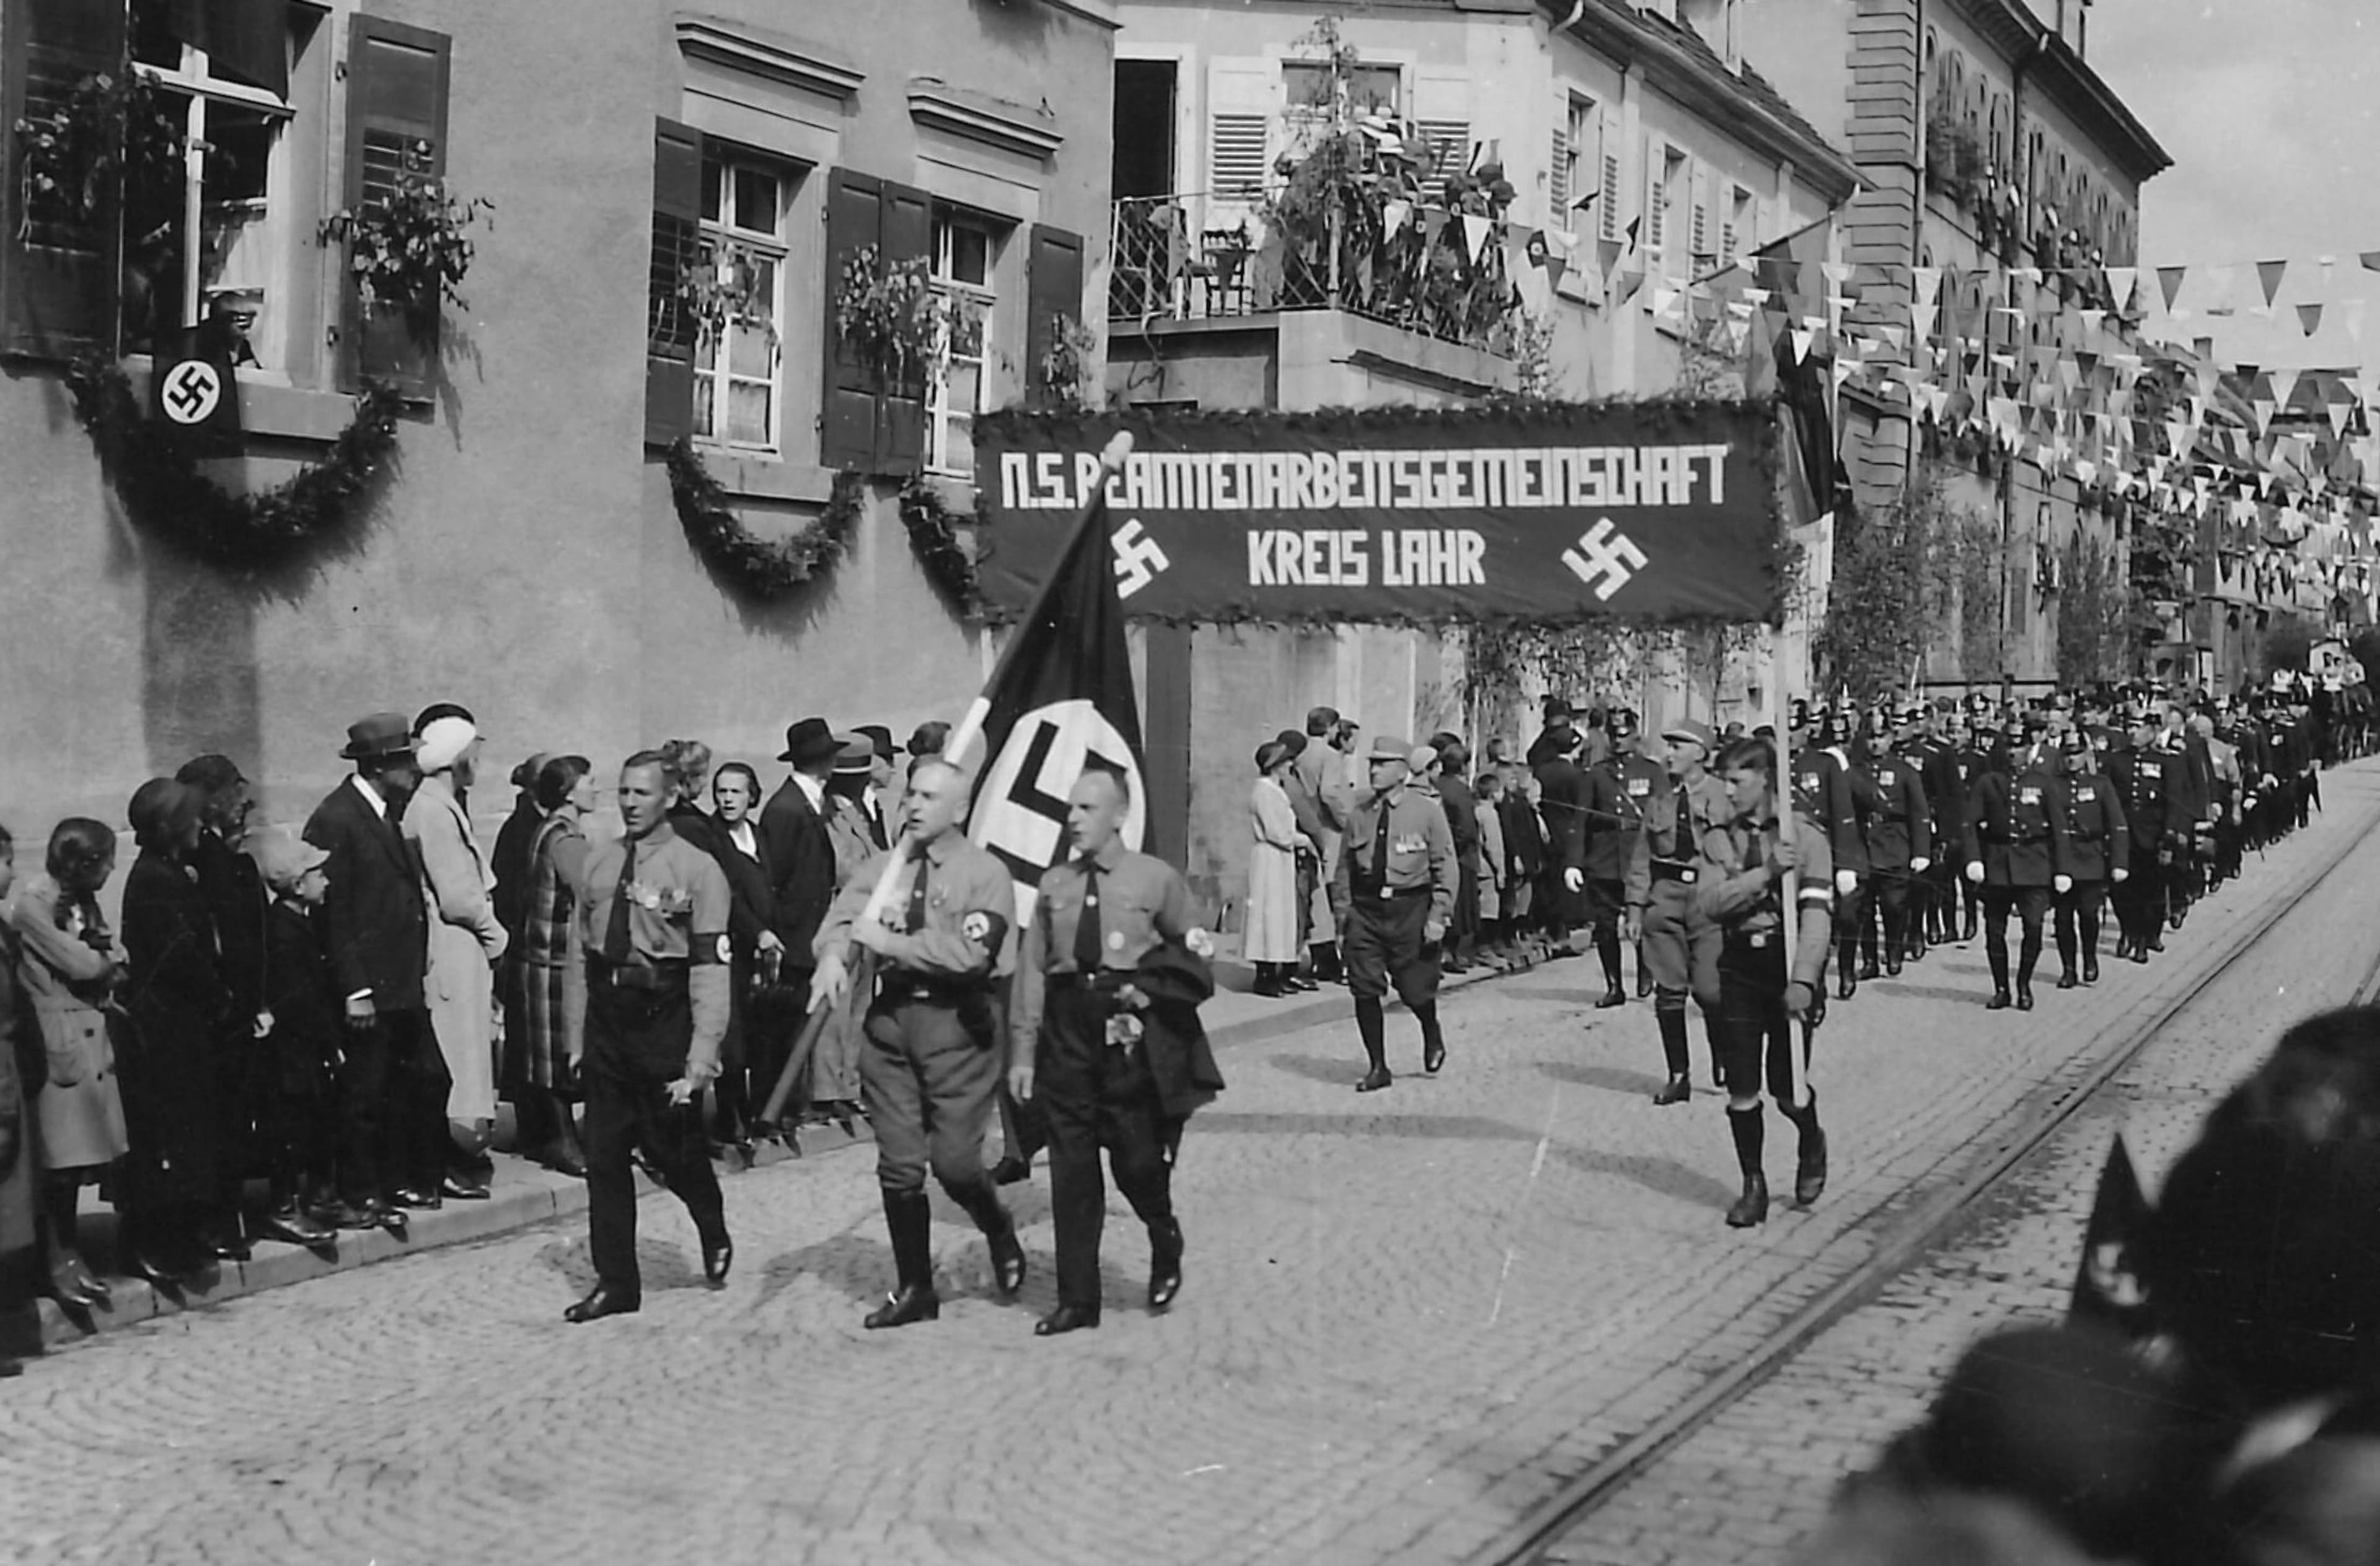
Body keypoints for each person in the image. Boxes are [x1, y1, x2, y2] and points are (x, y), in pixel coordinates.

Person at [812, 758, 1027, 1329]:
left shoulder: (986, 875)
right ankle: (915, 1288)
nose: (914, 804)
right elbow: (842, 916)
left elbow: (970, 954)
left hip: (959, 1025)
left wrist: (888, 940)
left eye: (931, 797)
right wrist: (832, 956)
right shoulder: (887, 867)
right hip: (892, 1026)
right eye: (912, 793)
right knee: (900, 1166)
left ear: (959, 808)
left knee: (955, 1164)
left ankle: (997, 1226)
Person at [1009, 765, 1222, 1335]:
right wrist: (1024, 1051)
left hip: (1130, 1031)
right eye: (1070, 808)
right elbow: (1032, 971)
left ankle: (1162, 1230)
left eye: (1085, 808)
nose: (1072, 818)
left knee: (1137, 1163)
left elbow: (1193, 952)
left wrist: (1152, 992)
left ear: (1119, 815)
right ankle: (1078, 1300)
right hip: (1067, 1029)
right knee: (1072, 1170)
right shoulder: (1055, 885)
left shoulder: (1155, 880)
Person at [564, 751, 734, 1323]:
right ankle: (618, 1282)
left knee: (672, 1150)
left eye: (642, 793)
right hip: (609, 1020)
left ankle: (710, 1222)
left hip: (665, 1017)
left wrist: (702, 1053)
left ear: (669, 798)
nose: (630, 803)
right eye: (625, 792)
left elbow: (711, 967)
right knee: (604, 1157)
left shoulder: (698, 869)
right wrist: (576, 1036)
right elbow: (578, 955)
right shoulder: (598, 863)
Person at [1691, 737, 1834, 1228]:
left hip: (1789, 964)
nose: (1727, 791)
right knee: (1743, 1087)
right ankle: (1753, 1184)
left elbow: (1817, 915)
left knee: (1788, 1089)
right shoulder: (1719, 838)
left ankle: (1811, 1139)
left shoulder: (1807, 838)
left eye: (1738, 781)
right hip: (1739, 969)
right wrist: (1765, 874)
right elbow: (1709, 904)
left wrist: (1805, 981)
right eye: (1725, 780)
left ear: (1766, 779)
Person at [302, 711, 435, 1237]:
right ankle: (359, 1192)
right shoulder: (338, 817)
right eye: (406, 760)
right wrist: (355, 989)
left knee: (404, 1085)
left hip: (399, 982)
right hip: (368, 989)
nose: (415, 769)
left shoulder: (386, 810)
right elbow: (335, 915)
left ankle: (387, 1181)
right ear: (381, 765)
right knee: (363, 1096)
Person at [117, 778, 237, 1285]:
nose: (198, 827)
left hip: (183, 1024)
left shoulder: (168, 872)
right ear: (168, 827)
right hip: (164, 1027)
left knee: (189, 1134)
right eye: (189, 819)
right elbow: (181, 956)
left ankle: (182, 1232)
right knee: (167, 1136)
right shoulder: (153, 880)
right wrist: (218, 994)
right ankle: (154, 1239)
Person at [11, 819, 130, 1306]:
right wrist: (103, 959)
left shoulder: (83, 901)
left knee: (80, 1161)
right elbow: (84, 963)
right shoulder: (35, 905)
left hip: (89, 1038)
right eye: (105, 860)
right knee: (60, 1162)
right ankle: (56, 1259)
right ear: (83, 862)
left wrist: (105, 957)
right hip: (58, 1038)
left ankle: (71, 1252)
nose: (110, 870)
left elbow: (116, 952)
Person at [408, 713, 507, 1201]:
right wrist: (496, 936)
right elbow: (459, 896)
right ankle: (452, 1158)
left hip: (462, 947)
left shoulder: (440, 803)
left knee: (469, 1051)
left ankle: (460, 1155)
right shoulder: (433, 809)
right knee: (460, 1054)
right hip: (454, 947)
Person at [173, 754, 267, 1256]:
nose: (243, 805)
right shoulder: (198, 858)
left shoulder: (230, 855)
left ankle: (228, 1213)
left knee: (233, 1115)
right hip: (218, 1009)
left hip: (239, 1005)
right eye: (235, 794)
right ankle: (216, 1219)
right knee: (217, 1119)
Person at [1330, 736, 1458, 1092]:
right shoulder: (1360, 813)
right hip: (1367, 912)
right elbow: (1343, 870)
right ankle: (1378, 1067)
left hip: (1411, 909)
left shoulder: (1427, 811)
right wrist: (1343, 915)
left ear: (1403, 771)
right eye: (1372, 763)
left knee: (1415, 989)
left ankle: (1431, 1033)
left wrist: (1438, 915)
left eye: (1383, 764)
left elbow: (1445, 866)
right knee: (1364, 989)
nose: (1374, 770)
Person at [242, 827, 340, 1247]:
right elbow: (300, 999)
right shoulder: (284, 931)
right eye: (319, 874)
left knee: (311, 1124)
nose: (327, 880)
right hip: (292, 1052)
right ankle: (284, 1206)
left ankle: (314, 1198)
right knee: (288, 1129)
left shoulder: (299, 921)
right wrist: (327, 1040)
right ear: (299, 885)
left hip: (304, 1049)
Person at [1628, 719, 1730, 1105]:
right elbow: (1642, 857)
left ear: (1700, 754)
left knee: (1710, 990)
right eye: (1668, 746)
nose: (1668, 754)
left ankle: (1722, 1053)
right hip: (1666, 900)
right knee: (1668, 994)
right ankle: (1679, 1076)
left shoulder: (1725, 796)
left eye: (1678, 747)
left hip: (1710, 902)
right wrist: (1636, 909)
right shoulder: (1660, 800)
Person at [756, 718, 840, 1138]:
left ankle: (794, 1103)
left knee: (798, 1021)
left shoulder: (811, 801)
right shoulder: (787, 809)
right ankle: (783, 1108)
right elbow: (778, 877)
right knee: (785, 1026)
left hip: (811, 930)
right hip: (795, 934)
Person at [1963, 715, 2072, 1011]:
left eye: (2019, 746)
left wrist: (2062, 869)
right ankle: (2001, 988)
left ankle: (2024, 982)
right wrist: (1974, 860)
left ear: (2030, 748)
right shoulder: (1989, 782)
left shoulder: (2043, 783)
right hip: (1998, 863)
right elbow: (1969, 824)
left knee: (2034, 928)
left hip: (2034, 863)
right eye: (2008, 746)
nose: (2013, 752)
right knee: (1994, 931)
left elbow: (2059, 829)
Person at [518, 756, 594, 1176]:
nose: (595, 790)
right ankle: (562, 1140)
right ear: (569, 792)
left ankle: (560, 1137)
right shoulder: (566, 839)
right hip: (557, 961)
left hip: (546, 957)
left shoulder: (547, 829)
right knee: (559, 1054)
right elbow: (593, 890)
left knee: (552, 1053)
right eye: (590, 782)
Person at [809, 737, 881, 1129]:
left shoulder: (856, 812)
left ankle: (848, 1085)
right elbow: (845, 867)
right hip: (845, 916)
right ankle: (828, 1090)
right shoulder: (833, 813)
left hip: (865, 920)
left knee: (858, 1008)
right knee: (836, 1010)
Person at [707, 760, 775, 1157]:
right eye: (722, 792)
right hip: (730, 946)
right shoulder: (715, 838)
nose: (728, 799)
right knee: (730, 1036)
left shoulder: (758, 835)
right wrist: (758, 931)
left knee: (757, 1030)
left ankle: (753, 1112)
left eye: (736, 792)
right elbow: (728, 894)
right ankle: (728, 1116)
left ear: (752, 796)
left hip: (761, 953)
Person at [1580, 710, 1664, 1006]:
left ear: (1635, 735)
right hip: (1603, 858)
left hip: (1638, 857)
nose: (1618, 741)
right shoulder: (1597, 773)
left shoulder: (1652, 772)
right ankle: (1614, 986)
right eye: (1614, 736)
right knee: (1604, 926)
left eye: (1624, 735)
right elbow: (1582, 821)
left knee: (1641, 919)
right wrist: (1573, 863)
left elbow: (1664, 817)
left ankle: (1646, 967)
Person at [2050, 731, 2127, 990]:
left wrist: (2118, 863)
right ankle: (2068, 968)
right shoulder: (2053, 785)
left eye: (2076, 753)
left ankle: (2090, 957)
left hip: (2092, 856)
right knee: (2062, 918)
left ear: (2086, 755)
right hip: (2062, 859)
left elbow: (2116, 825)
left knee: (2088, 913)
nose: (2072, 759)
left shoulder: (2100, 784)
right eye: (2067, 754)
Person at [1861, 713, 1933, 979]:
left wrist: (1921, 852)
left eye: (1881, 737)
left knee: (1894, 905)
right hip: (1865, 846)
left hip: (1894, 845)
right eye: (1871, 738)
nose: (1875, 743)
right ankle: (1869, 960)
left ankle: (1894, 949)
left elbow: (1919, 812)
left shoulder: (1905, 772)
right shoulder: (1856, 770)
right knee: (1863, 909)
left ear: (1891, 739)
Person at [1296, 707, 1356, 982]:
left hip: (1307, 825)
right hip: (1329, 828)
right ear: (1331, 728)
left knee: (1316, 897)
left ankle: (1322, 958)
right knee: (1336, 896)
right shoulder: (1329, 757)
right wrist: (1347, 821)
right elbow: (1330, 793)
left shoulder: (1301, 754)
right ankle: (1336, 960)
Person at [1246, 739, 1308, 997]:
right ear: (1275, 766)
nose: (1290, 766)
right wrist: (1301, 840)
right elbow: (1278, 832)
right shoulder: (1265, 792)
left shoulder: (1274, 790)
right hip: (1271, 858)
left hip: (1280, 859)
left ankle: (1275, 971)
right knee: (1268, 915)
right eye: (1285, 762)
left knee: (1279, 916)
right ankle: (1265, 975)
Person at [1473, 770, 1509, 966]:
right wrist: (1500, 871)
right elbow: (1494, 846)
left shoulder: (1475, 810)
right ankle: (1484, 949)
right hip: (1487, 869)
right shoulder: (1490, 814)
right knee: (1489, 910)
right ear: (1495, 793)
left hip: (1475, 866)